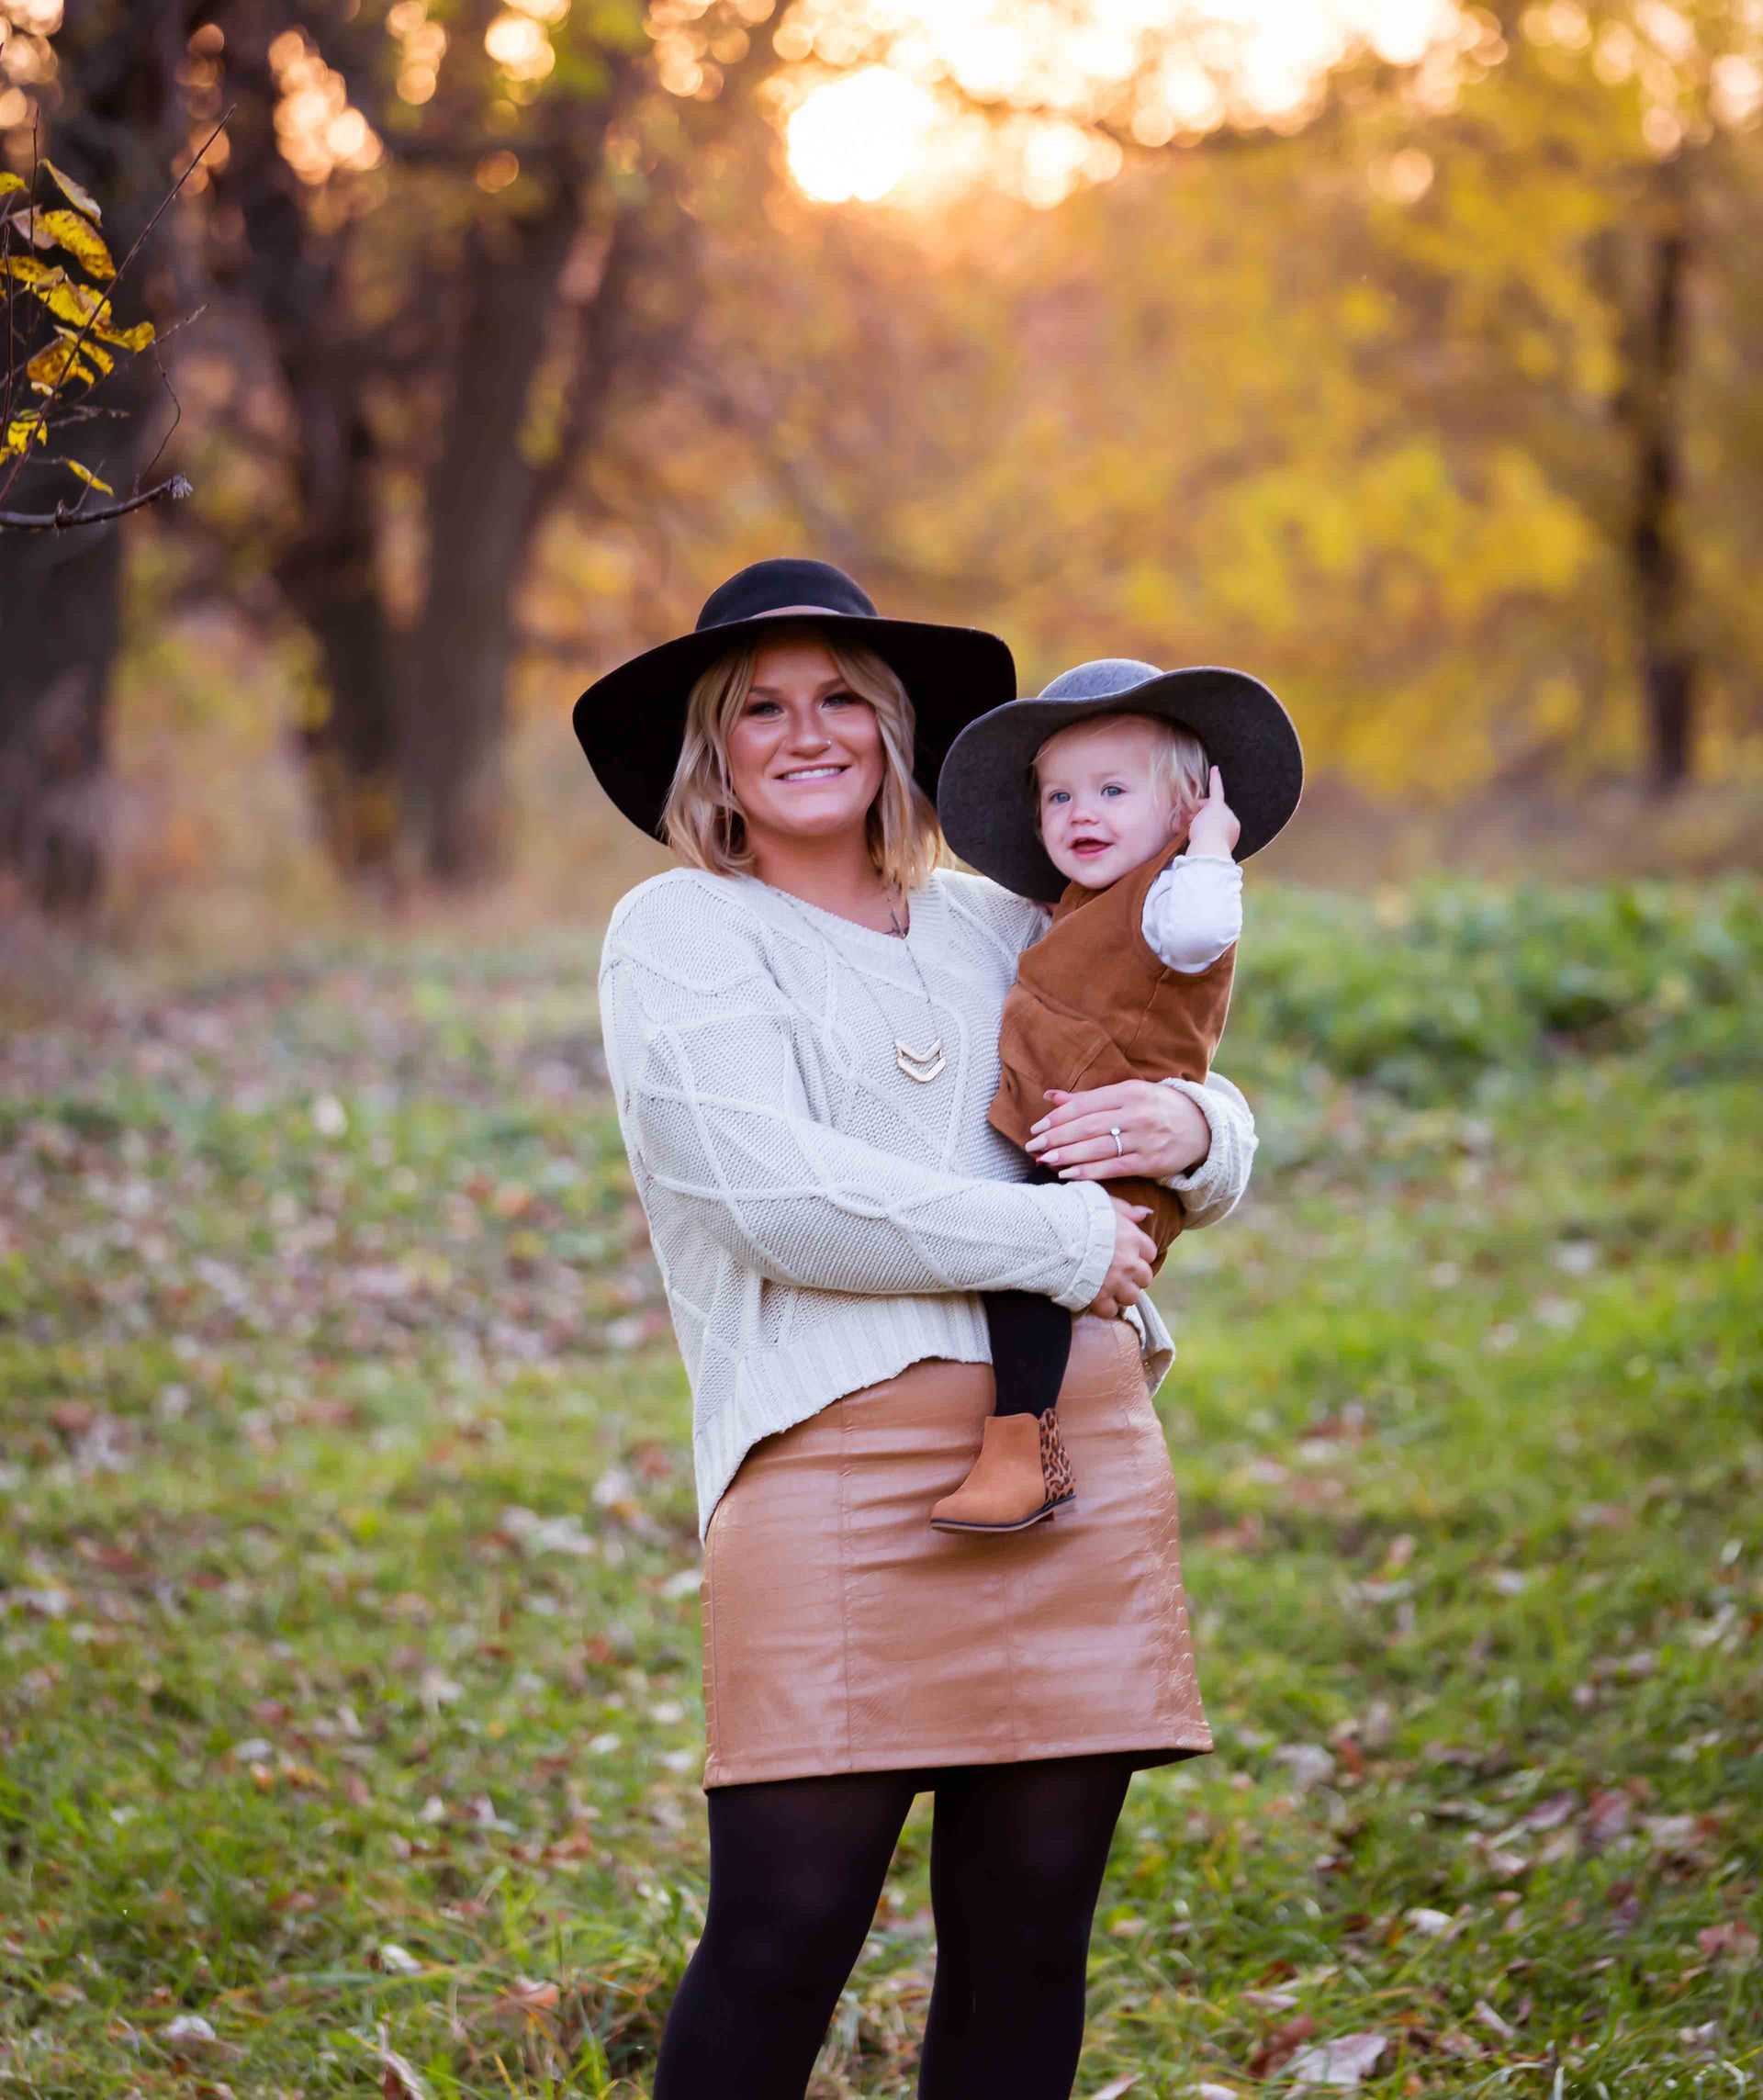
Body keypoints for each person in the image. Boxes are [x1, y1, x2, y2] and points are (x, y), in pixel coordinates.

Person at [574, 559, 1261, 2100]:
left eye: (840, 699)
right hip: (833, 1471)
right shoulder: (679, 929)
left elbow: (1156, 1042)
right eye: (761, 705)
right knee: (781, 1929)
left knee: (1026, 1940)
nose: (804, 731)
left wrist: (1201, 1130)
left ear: (892, 731)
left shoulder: (999, 917)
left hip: (1074, 1450)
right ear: (712, 749)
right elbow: (775, 1194)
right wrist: (1062, 1234)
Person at [926, 660, 1303, 1535]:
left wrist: (1213, 843)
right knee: (1026, 1268)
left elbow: (1206, 929)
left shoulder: (1178, 894)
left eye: (1110, 789)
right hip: (1071, 1136)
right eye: (1058, 798)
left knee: (1029, 1274)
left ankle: (1026, 1450)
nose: (1080, 813)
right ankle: (1024, 1444)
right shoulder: (1075, 906)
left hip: (1110, 1156)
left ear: (1180, 809)